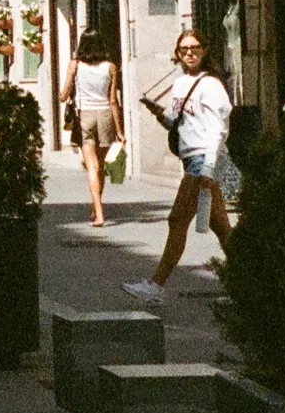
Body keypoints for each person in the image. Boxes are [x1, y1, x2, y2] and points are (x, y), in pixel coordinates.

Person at [126, 30, 235, 297]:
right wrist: (159, 115)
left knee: (177, 220)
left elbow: (218, 129)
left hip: (202, 161)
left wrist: (209, 167)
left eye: (195, 47)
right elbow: (179, 122)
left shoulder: (211, 85)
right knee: (221, 227)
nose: (190, 52)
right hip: (191, 160)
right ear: (177, 53)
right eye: (184, 49)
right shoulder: (179, 84)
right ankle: (248, 283)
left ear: (204, 50)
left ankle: (156, 285)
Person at [63, 26, 124, 230]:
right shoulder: (111, 67)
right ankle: (95, 205)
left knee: (92, 165)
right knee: (100, 167)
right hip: (105, 116)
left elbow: (63, 95)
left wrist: (68, 93)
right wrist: (120, 130)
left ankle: (99, 213)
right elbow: (113, 100)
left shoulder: (75, 65)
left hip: (85, 117)